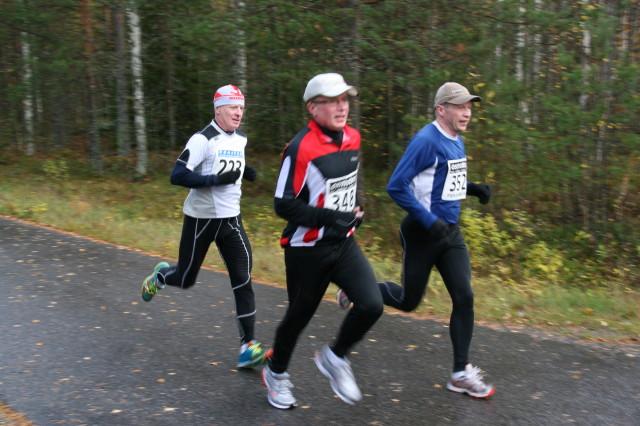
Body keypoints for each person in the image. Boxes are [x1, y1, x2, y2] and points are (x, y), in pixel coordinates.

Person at [338, 82, 495, 398]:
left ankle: (460, 373)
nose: (467, 112)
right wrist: (428, 220)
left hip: (449, 233)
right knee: (409, 301)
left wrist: (472, 188)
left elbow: (443, 182)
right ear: (441, 109)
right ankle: (358, 289)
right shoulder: (426, 140)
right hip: (422, 233)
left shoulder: (457, 140)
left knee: (464, 296)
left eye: (469, 106)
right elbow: (396, 186)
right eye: (460, 106)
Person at [261, 73, 384, 409]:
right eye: (331, 101)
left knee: (372, 304)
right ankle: (276, 372)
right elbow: (283, 204)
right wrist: (331, 217)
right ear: (313, 108)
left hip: (343, 244)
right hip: (306, 249)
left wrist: (356, 208)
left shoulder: (353, 137)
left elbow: (346, 184)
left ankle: (335, 356)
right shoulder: (299, 148)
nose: (341, 107)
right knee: (298, 317)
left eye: (344, 100)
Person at [140, 84, 271, 369]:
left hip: (231, 219)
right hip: (201, 220)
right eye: (233, 107)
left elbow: (228, 164)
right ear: (218, 109)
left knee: (243, 278)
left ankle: (247, 346)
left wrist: (244, 172)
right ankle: (161, 276)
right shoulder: (203, 139)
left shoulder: (241, 138)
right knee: (185, 278)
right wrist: (214, 180)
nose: (238, 113)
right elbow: (177, 175)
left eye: (241, 108)